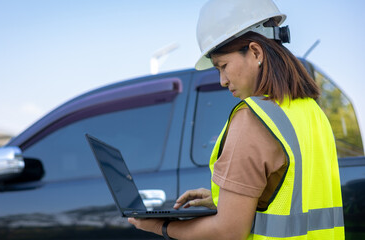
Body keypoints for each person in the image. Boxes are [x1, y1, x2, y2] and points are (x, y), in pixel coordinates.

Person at [128, 0, 345, 239]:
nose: (222, 80)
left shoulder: (254, 120)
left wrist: (160, 226)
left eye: (223, 66)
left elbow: (228, 233)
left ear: (255, 52)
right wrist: (228, 201)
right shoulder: (313, 112)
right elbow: (295, 194)